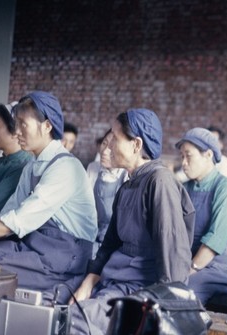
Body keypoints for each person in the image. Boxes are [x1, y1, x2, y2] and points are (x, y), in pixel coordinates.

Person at [0, 91, 97, 303]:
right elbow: (7, 214)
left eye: (23, 124)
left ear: (47, 126)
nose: (17, 131)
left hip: (61, 257)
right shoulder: (32, 166)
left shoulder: (66, 167)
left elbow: (16, 222)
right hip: (32, 245)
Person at [69, 108, 195, 335]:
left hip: (140, 290)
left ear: (136, 145)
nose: (108, 147)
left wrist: (161, 312)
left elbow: (173, 257)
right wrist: (87, 284)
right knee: (58, 298)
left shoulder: (160, 181)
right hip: (115, 280)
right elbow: (109, 245)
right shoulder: (127, 186)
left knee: (77, 319)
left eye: (115, 139)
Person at [176, 127, 227, 305]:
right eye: (181, 156)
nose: (183, 162)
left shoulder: (226, 189)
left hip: (221, 264)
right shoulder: (185, 189)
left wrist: (189, 270)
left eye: (189, 156)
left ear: (208, 155)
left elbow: (215, 240)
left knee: (183, 292)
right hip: (192, 259)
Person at [91, 130, 128, 255]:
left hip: (117, 242)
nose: (105, 151)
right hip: (93, 235)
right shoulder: (93, 168)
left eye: (111, 147)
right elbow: (86, 206)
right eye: (104, 143)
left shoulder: (127, 176)